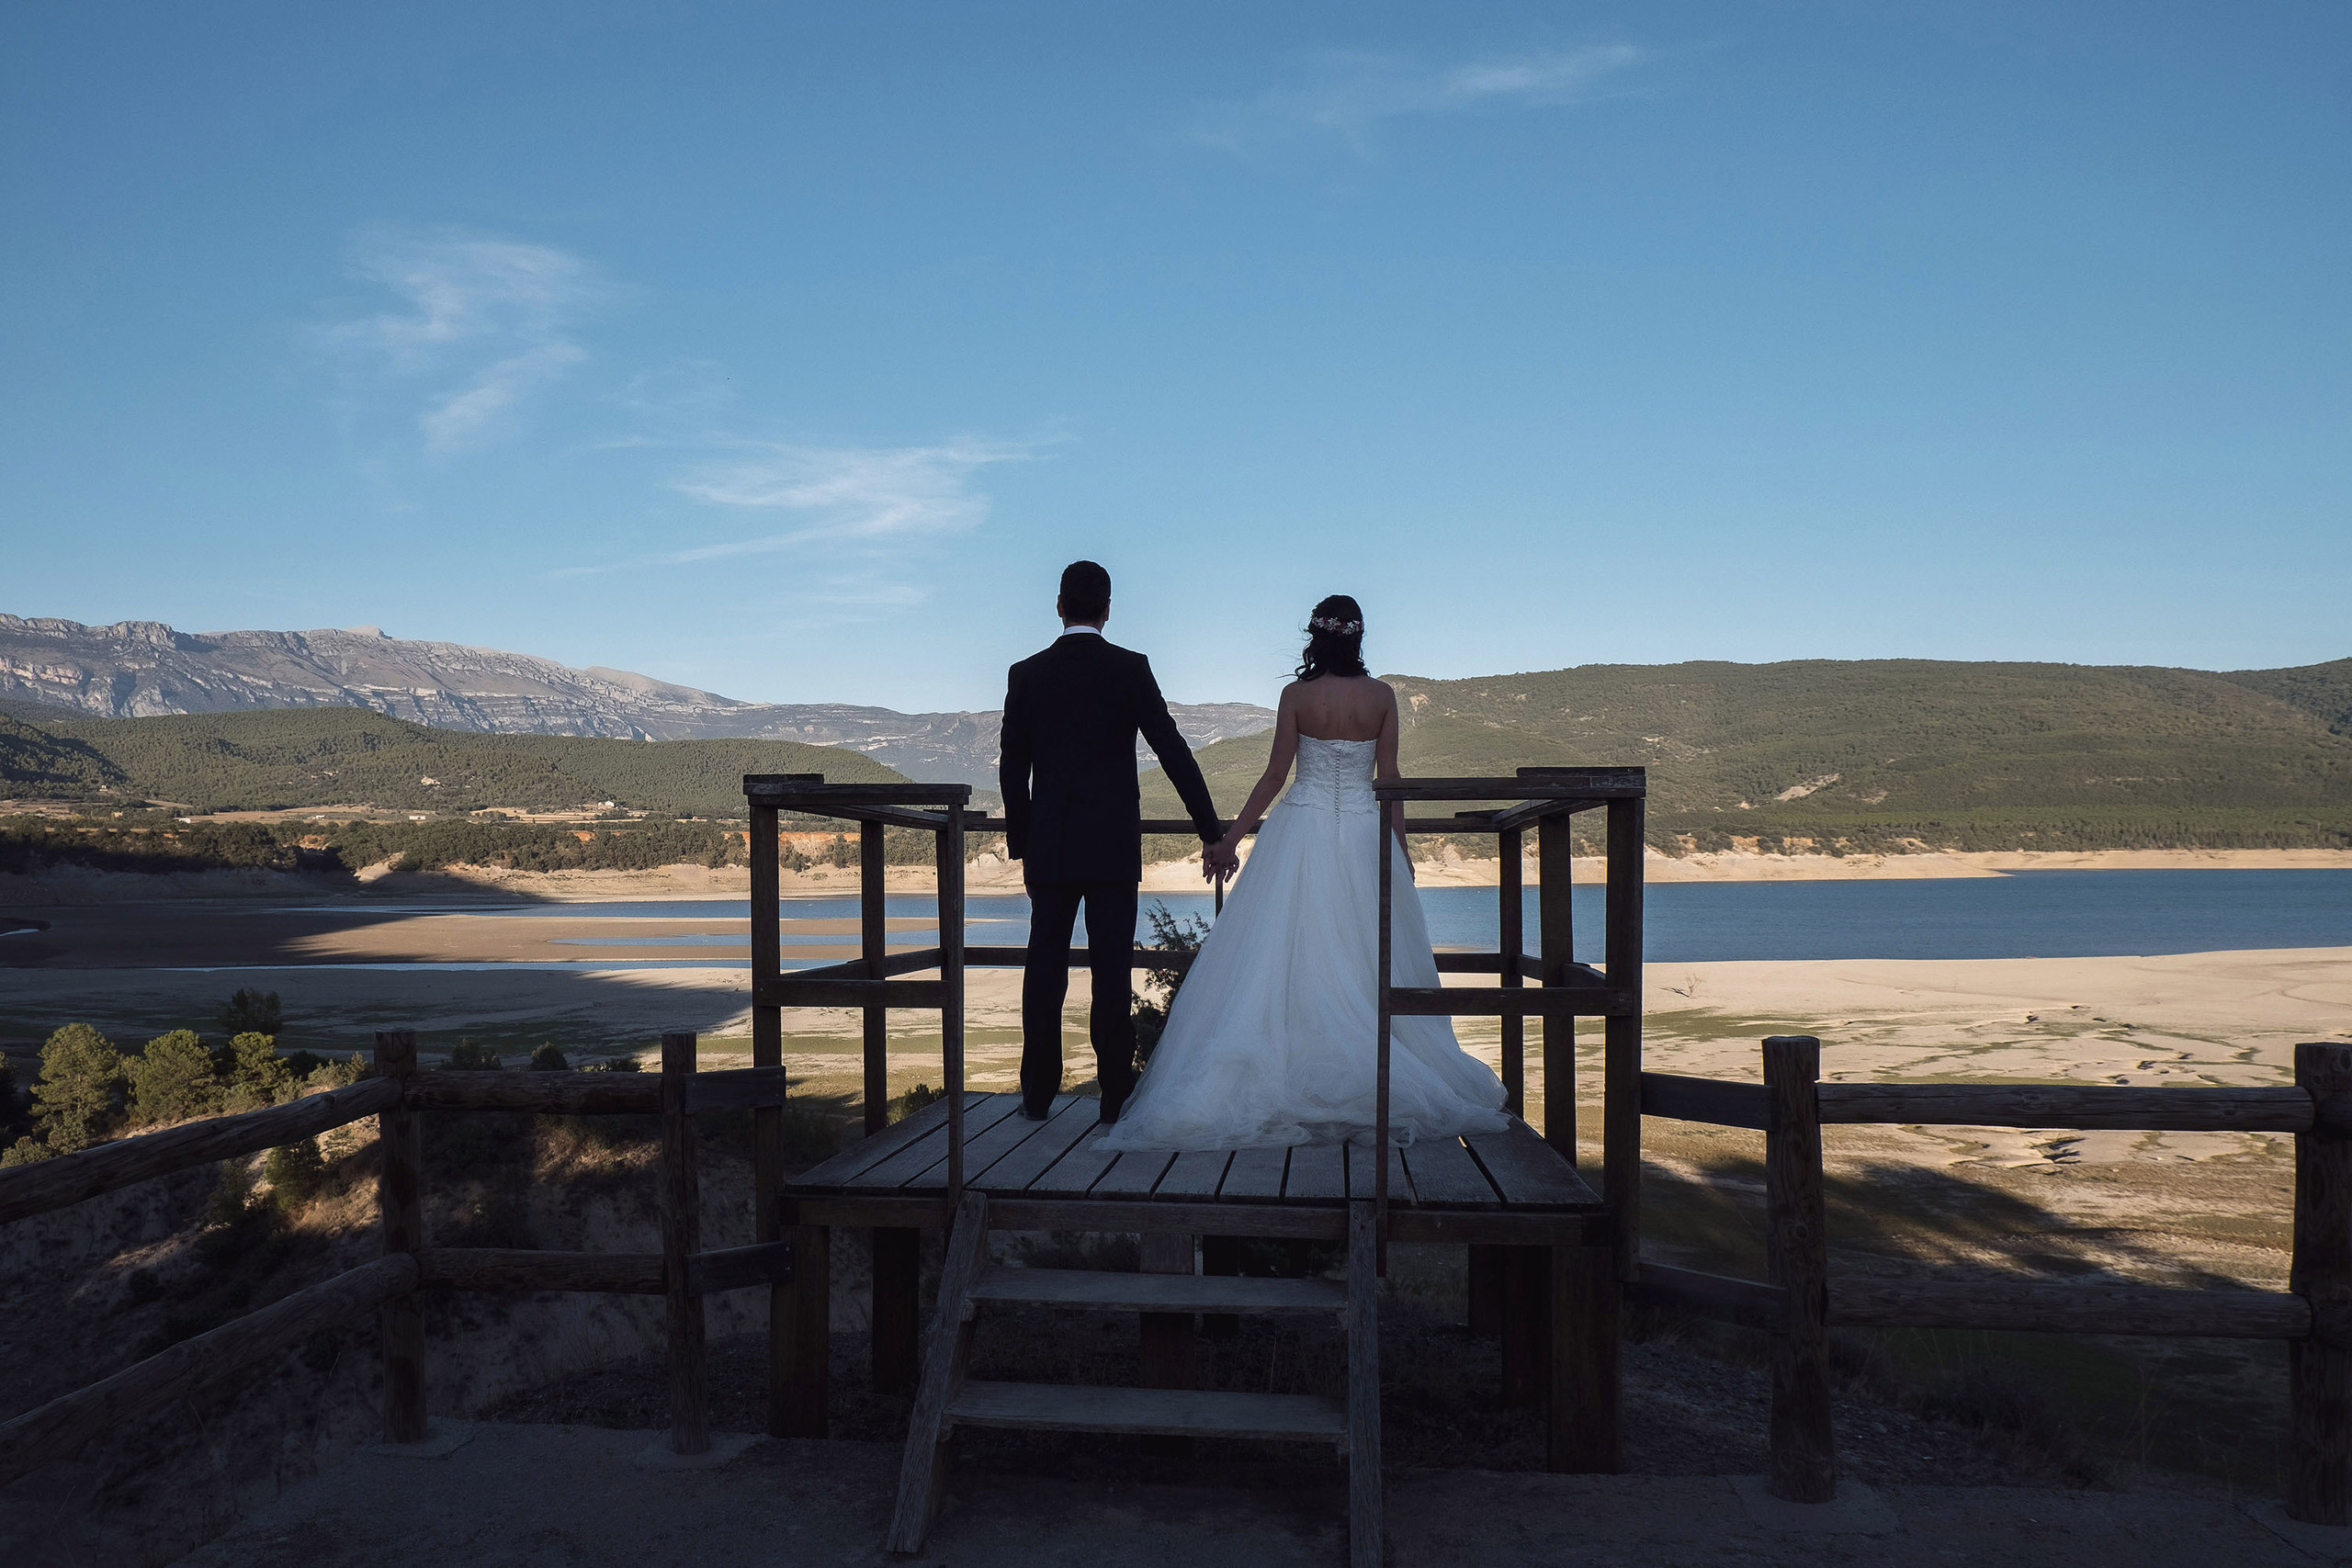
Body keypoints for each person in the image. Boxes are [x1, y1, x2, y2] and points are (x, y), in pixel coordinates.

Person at [1097, 594, 1509, 1151]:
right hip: (1365, 834)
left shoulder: (1295, 696)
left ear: (1316, 637)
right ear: (1358, 637)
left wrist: (1229, 839)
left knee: (1288, 954)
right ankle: (1371, 1072)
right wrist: (1402, 850)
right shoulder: (1382, 697)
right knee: (1365, 952)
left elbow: (1273, 777)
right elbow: (1389, 781)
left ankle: (1292, 1068)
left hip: (1301, 829)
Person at [999, 560, 1231, 1124]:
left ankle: (1036, 1095)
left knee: (1044, 968)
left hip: (1051, 847)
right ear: (1107, 610)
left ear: (1059, 606)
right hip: (1111, 847)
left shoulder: (1026, 674)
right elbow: (1172, 750)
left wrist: (1022, 842)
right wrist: (1209, 829)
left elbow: (1012, 767)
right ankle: (1113, 1096)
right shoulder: (1130, 669)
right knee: (1111, 970)